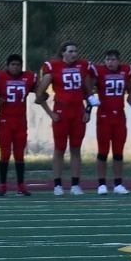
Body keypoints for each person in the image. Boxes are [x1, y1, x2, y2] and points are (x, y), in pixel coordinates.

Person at [36, 41, 93, 196]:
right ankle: (57, 185)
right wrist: (50, 113)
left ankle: (75, 184)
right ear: (63, 52)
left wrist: (88, 109)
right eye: (70, 51)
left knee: (76, 148)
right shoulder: (53, 66)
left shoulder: (83, 66)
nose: (74, 54)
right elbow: (39, 95)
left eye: (75, 51)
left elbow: (89, 92)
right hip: (61, 110)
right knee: (59, 149)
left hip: (78, 110)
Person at [90, 50, 131, 194]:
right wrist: (88, 104)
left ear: (119, 61)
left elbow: (130, 89)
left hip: (119, 116)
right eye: (107, 59)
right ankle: (101, 184)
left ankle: (118, 184)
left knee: (118, 152)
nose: (110, 62)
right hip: (104, 115)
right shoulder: (99, 71)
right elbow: (87, 87)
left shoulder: (125, 71)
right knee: (103, 151)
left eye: (113, 59)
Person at [0, 54, 36, 196]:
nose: (15, 67)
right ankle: (3, 185)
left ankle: (21, 186)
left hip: (20, 120)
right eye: (12, 64)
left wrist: (43, 95)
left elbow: (39, 91)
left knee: (19, 154)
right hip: (5, 120)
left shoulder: (29, 77)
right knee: (4, 154)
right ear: (8, 65)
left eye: (18, 64)